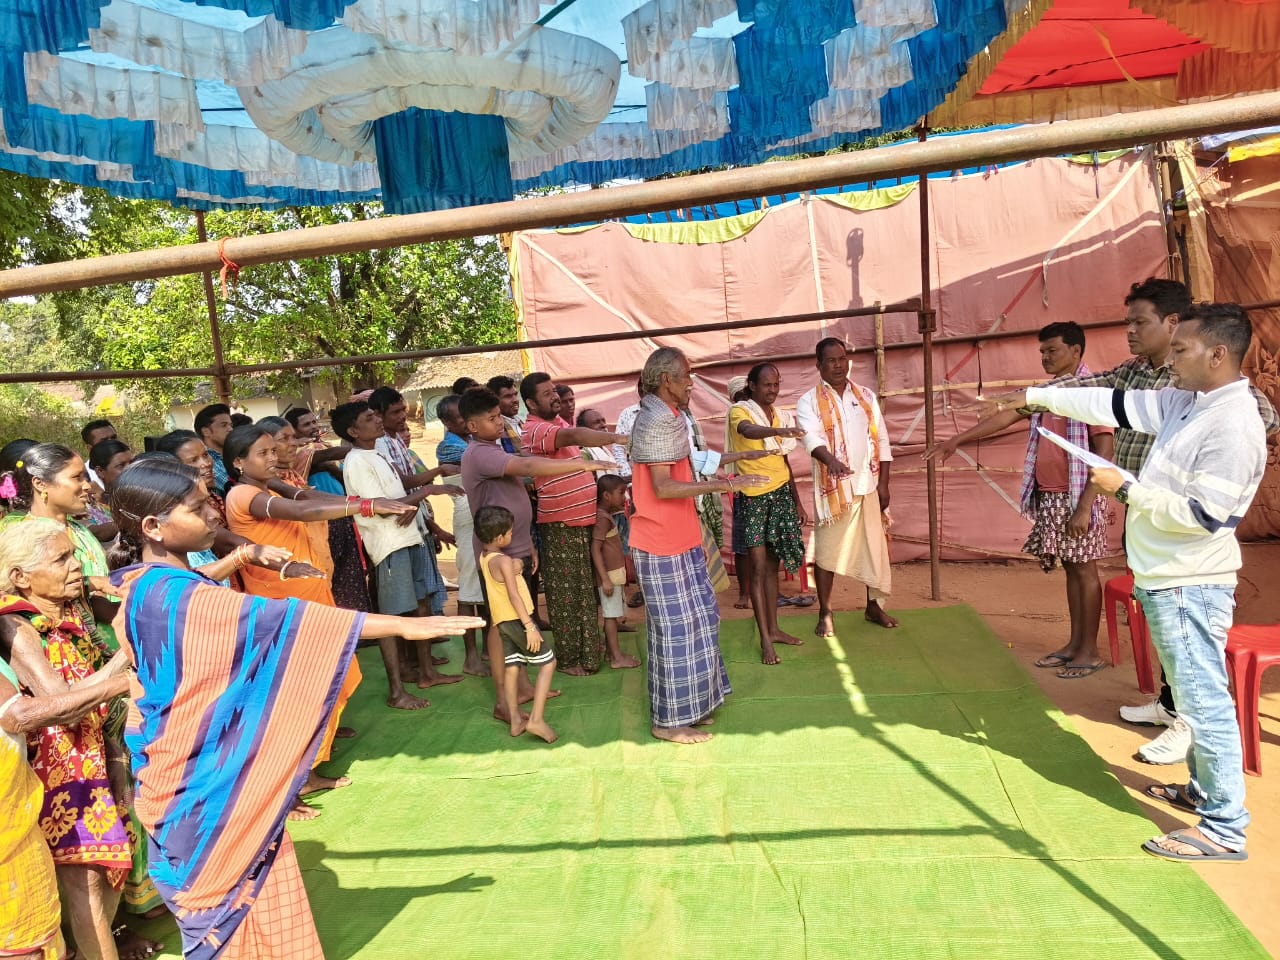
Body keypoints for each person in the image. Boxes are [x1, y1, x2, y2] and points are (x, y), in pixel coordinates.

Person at [104, 459, 483, 957]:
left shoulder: (139, 584)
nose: (213, 514)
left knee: (230, 914)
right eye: (197, 508)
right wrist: (401, 625)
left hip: (185, 777)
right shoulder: (180, 595)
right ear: (153, 526)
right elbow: (287, 621)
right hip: (210, 790)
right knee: (231, 917)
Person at [996, 303, 1265, 863]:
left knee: (1203, 705)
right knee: (1192, 698)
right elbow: (1110, 402)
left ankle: (1224, 829)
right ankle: (1203, 793)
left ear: (1218, 354)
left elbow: (1206, 517)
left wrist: (1124, 488)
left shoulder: (1235, 425)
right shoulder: (1187, 400)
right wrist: (1036, 396)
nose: (1172, 360)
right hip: (1170, 578)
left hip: (1190, 583)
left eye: (1182, 349)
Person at [222, 424, 413, 818]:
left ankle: (306, 774)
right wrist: (365, 507)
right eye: (262, 453)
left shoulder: (271, 485)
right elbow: (303, 511)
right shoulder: (244, 494)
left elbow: (307, 497)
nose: (272, 457)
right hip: (283, 608)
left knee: (331, 682)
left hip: (310, 597)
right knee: (295, 699)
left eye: (273, 450)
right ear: (239, 462)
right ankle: (286, 789)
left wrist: (364, 500)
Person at [924, 322, 1114, 679]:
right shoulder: (1047, 394)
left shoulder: (1091, 392)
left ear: (1076, 351)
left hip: (1079, 495)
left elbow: (1105, 452)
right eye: (1042, 352)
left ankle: (1089, 652)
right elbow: (1007, 415)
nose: (1045, 357)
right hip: (1053, 495)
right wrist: (957, 440)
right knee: (1072, 568)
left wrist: (1086, 505)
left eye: (1052, 350)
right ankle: (1075, 645)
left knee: (1085, 569)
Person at [0, 519, 135, 960]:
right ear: (20, 576)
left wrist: (124, 656)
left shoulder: (69, 611)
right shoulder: (16, 624)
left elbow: (83, 694)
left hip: (93, 752)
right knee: (87, 883)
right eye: (61, 559)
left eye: (74, 554)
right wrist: (125, 668)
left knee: (104, 876)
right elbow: (62, 702)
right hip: (59, 769)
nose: (76, 565)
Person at [630, 347, 767, 745]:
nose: (692, 383)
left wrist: (736, 462)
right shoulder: (654, 420)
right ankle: (668, 721)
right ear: (666, 380)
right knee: (675, 632)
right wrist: (726, 484)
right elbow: (663, 487)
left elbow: (691, 463)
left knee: (702, 621)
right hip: (658, 542)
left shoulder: (672, 417)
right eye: (686, 376)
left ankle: (693, 705)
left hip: (682, 536)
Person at [459, 388, 612, 721]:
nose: (499, 423)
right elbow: (527, 464)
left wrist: (527, 541)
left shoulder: (493, 447)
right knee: (501, 626)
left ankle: (524, 688)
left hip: (515, 547)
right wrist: (582, 465)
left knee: (515, 619)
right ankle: (503, 701)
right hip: (499, 557)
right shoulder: (479, 453)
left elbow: (516, 486)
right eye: (492, 418)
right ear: (472, 426)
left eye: (499, 417)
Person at [1, 639, 130, 960]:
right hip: (29, 812)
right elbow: (19, 715)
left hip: (21, 820)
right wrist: (124, 679)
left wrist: (113, 752)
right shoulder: (17, 624)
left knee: (44, 937)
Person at [333, 401, 462, 706]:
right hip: (390, 544)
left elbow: (398, 493)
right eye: (369, 418)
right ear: (353, 431)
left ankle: (426, 671)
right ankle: (396, 691)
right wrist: (425, 493)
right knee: (391, 617)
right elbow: (380, 506)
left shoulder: (376, 453)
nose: (377, 420)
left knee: (421, 603)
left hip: (409, 536)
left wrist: (413, 502)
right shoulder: (356, 461)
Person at [520, 372, 629, 676]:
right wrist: (617, 438)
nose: (554, 397)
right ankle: (569, 660)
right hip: (560, 525)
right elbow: (573, 438)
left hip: (579, 522)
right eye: (546, 394)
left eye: (553, 391)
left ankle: (589, 655)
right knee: (566, 596)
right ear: (531, 403)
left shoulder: (557, 421)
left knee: (583, 594)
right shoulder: (535, 429)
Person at [797, 337, 897, 635]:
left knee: (874, 548)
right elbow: (810, 438)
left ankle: (873, 606)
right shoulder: (808, 401)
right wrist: (831, 461)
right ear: (819, 365)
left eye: (842, 359)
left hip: (867, 485)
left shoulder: (865, 395)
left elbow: (882, 439)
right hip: (834, 492)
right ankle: (826, 612)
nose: (838, 365)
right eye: (831, 360)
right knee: (827, 552)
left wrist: (884, 484)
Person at [728, 362, 809, 664]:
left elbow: (784, 463)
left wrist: (797, 501)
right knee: (759, 570)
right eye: (767, 384)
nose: (773, 390)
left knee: (773, 566)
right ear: (751, 385)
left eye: (776, 384)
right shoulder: (740, 411)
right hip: (754, 498)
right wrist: (778, 430)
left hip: (781, 495)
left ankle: (774, 629)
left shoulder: (779, 414)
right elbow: (747, 432)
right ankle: (764, 639)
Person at [475, 505, 558, 742]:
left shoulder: (485, 557)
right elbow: (514, 595)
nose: (512, 536)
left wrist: (516, 565)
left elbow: (505, 575)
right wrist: (530, 626)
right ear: (499, 537)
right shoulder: (502, 561)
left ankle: (515, 720)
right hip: (518, 620)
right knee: (549, 663)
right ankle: (536, 719)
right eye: (510, 532)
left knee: (512, 667)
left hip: (502, 622)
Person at [436, 394, 488, 676]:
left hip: (477, 512)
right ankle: (471, 657)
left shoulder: (469, 442)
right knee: (468, 587)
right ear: (446, 422)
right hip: (467, 516)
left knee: (484, 581)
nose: (466, 422)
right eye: (459, 417)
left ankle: (486, 649)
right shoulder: (449, 447)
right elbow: (482, 466)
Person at [591, 475, 641, 670]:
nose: (625, 497)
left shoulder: (606, 516)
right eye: (621, 493)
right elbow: (595, 549)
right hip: (609, 576)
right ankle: (617, 658)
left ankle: (610, 652)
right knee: (610, 617)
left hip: (613, 574)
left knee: (612, 614)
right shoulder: (602, 519)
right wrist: (605, 579)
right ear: (606, 495)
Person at [194, 403, 234, 492]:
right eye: (224, 425)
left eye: (231, 425)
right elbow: (233, 489)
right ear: (206, 431)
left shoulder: (233, 454)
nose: (230, 429)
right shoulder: (207, 462)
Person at [486, 375, 525, 453]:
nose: (515, 400)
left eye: (515, 394)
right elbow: (499, 457)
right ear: (494, 400)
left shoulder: (519, 421)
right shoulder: (495, 428)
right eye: (508, 396)